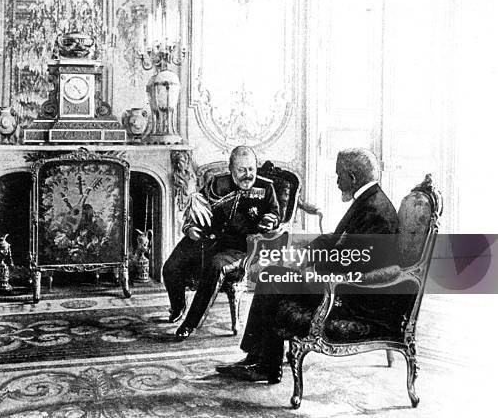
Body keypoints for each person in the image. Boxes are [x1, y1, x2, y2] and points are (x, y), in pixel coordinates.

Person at [216, 147, 399, 383]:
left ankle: (264, 364)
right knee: (272, 275)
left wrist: (307, 269)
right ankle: (259, 360)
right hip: (347, 285)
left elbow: (354, 260)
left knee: (272, 278)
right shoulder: (369, 199)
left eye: (338, 175)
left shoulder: (374, 210)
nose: (336, 181)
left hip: (353, 296)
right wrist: (303, 257)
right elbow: (336, 240)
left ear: (352, 178)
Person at [162, 146, 281, 340]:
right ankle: (177, 306)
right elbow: (197, 206)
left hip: (241, 247)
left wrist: (270, 219)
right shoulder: (217, 183)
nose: (247, 175)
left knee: (215, 266)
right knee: (170, 267)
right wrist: (190, 228)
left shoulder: (266, 187)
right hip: (208, 239)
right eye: (242, 170)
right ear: (231, 168)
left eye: (251, 169)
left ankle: (190, 324)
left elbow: (276, 214)